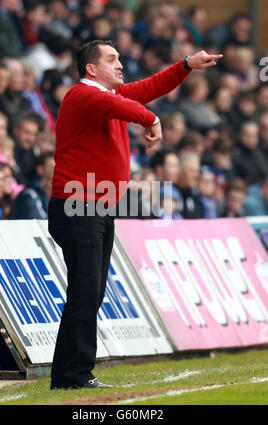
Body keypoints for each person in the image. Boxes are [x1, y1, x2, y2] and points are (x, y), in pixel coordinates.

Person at [48, 39, 223, 390]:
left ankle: (70, 373)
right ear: (91, 69)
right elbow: (135, 106)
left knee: (91, 292)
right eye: (112, 59)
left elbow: (148, 87)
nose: (121, 64)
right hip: (77, 205)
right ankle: (73, 375)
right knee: (85, 292)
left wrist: (186, 64)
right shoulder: (81, 95)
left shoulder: (109, 98)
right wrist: (152, 118)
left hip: (96, 206)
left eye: (120, 58)